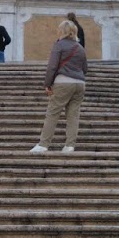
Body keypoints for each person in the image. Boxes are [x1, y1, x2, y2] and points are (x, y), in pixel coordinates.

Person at [31, 19, 86, 154]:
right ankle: (69, 146)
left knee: (53, 113)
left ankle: (43, 144)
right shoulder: (80, 48)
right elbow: (85, 68)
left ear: (62, 31)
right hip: (80, 84)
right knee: (73, 115)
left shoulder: (59, 45)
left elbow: (52, 67)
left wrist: (47, 84)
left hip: (63, 82)